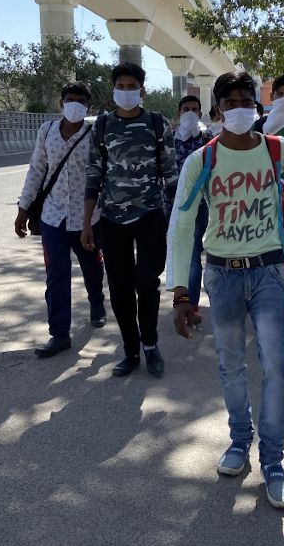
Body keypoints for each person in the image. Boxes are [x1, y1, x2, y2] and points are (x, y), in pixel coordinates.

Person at [167, 71, 284, 509]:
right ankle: (239, 440)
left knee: (276, 366)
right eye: (229, 102)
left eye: (245, 100)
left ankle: (273, 462)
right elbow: (181, 226)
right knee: (231, 366)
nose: (238, 108)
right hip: (223, 275)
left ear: (258, 107)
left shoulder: (275, 150)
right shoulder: (203, 161)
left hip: (269, 271)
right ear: (217, 111)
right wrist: (181, 293)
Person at [81, 63, 178, 378]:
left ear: (142, 90)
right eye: (120, 85)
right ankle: (131, 350)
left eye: (131, 85)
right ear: (113, 90)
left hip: (150, 216)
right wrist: (86, 222)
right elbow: (94, 173)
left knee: (146, 283)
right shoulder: (102, 126)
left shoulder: (156, 123)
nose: (125, 91)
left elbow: (170, 173)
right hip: (111, 219)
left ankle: (150, 344)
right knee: (120, 288)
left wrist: (178, 219)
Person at [15, 81, 106, 358]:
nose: (74, 104)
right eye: (70, 99)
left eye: (80, 100)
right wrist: (23, 207)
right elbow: (36, 170)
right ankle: (59, 334)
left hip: (88, 217)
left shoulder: (94, 134)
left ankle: (96, 301)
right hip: (53, 216)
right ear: (61, 103)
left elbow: (103, 174)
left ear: (87, 106)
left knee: (91, 266)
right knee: (56, 274)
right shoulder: (47, 132)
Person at [173, 94, 211, 321]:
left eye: (193, 109)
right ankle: (182, 299)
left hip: (200, 205)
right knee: (178, 253)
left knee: (193, 254)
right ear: (179, 112)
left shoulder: (208, 138)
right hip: (172, 206)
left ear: (199, 113)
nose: (189, 113)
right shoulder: (168, 138)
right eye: (185, 108)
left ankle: (192, 306)